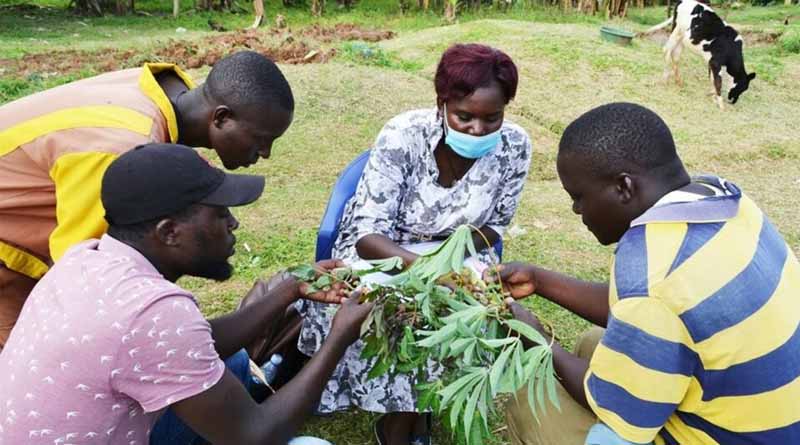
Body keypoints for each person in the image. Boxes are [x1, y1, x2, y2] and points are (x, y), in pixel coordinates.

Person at [0, 144, 372, 445]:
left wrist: (290, 289)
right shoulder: (153, 311)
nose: (234, 223)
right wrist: (338, 338)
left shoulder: (86, 258)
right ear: (169, 232)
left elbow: (194, 344)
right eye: (219, 214)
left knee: (236, 364)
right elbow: (254, 435)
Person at [492, 103, 800, 445]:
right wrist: (540, 280)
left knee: (531, 407)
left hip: (730, 436)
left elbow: (607, 402)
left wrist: (539, 341)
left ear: (624, 188)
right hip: (774, 416)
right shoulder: (723, 200)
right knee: (591, 343)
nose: (576, 209)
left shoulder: (653, 273)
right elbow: (651, 306)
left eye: (578, 197)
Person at [298, 43, 532, 445]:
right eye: (465, 117)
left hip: (457, 251)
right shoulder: (404, 135)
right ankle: (397, 420)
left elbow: (496, 225)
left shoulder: (514, 146)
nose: (478, 130)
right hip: (385, 249)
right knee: (396, 310)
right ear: (442, 103)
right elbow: (369, 235)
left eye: (492, 118)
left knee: (464, 312)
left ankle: (419, 407)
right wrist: (431, 271)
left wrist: (454, 258)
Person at [0, 50, 294, 349]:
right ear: (220, 117)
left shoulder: (161, 99)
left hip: (16, 242)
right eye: (261, 139)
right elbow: (83, 281)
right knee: (41, 358)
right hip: (8, 250)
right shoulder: (119, 148)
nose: (266, 152)